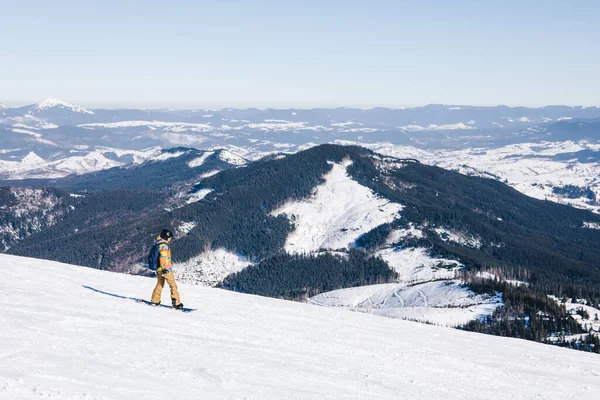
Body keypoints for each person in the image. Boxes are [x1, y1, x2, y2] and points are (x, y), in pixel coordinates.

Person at [150, 229, 184, 309]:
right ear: (167, 237)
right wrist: (165, 268)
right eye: (169, 238)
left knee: (160, 283)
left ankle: (155, 300)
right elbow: (163, 257)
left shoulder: (158, 243)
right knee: (173, 285)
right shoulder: (164, 246)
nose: (170, 239)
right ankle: (176, 303)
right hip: (165, 269)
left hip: (158, 269)